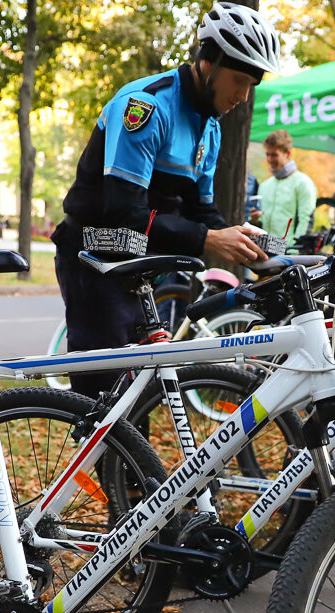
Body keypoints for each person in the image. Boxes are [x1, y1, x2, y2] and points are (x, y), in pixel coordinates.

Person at [50, 1, 278, 397]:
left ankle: (126, 461)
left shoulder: (210, 127)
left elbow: (201, 208)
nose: (243, 96)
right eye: (239, 80)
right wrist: (209, 240)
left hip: (139, 268)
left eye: (251, 86)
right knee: (103, 403)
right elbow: (123, 211)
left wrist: (244, 245)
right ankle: (94, 457)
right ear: (210, 63)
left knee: (139, 399)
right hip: (94, 261)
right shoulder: (147, 106)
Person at [257, 129, 316, 247]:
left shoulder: (303, 183)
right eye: (267, 154)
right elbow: (260, 224)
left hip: (288, 255)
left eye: (274, 155)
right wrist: (254, 220)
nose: (269, 159)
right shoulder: (264, 185)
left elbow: (306, 221)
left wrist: (294, 252)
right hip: (262, 252)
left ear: (288, 153)